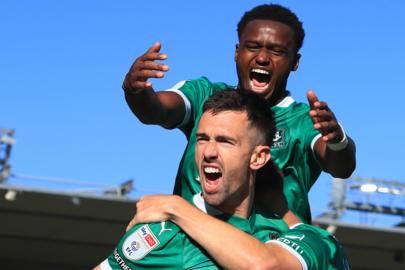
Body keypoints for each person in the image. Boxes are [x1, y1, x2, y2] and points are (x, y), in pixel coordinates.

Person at [122, 4, 356, 224]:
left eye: (277, 51)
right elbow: (155, 110)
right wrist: (136, 91)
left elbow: (341, 166)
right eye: (253, 47)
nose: (262, 58)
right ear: (237, 52)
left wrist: (337, 141)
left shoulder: (304, 120)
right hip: (192, 255)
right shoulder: (204, 95)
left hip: (267, 257)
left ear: (295, 62)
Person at [95, 90, 349, 270]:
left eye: (225, 141)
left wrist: (175, 206)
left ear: (258, 158)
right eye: (203, 139)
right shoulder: (164, 235)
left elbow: (264, 266)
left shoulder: (314, 243)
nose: (208, 152)